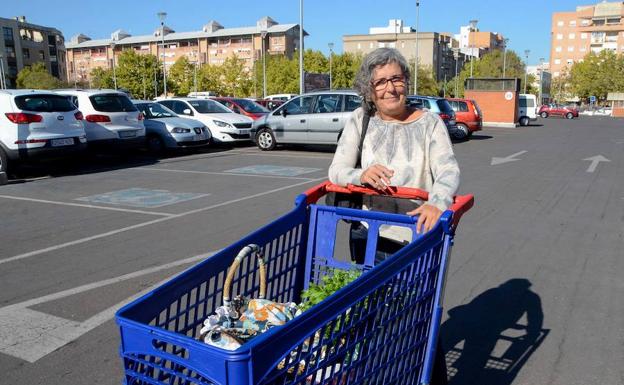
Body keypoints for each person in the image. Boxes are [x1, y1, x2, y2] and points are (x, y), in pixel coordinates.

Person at [328, 47, 460, 384]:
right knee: (369, 313)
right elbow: (337, 171)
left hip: (415, 236)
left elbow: (448, 171)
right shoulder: (361, 119)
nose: (390, 88)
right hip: (368, 235)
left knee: (419, 315)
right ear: (369, 89)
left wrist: (437, 202)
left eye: (397, 79)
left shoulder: (429, 123)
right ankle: (377, 374)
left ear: (407, 81)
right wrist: (361, 175)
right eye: (381, 82)